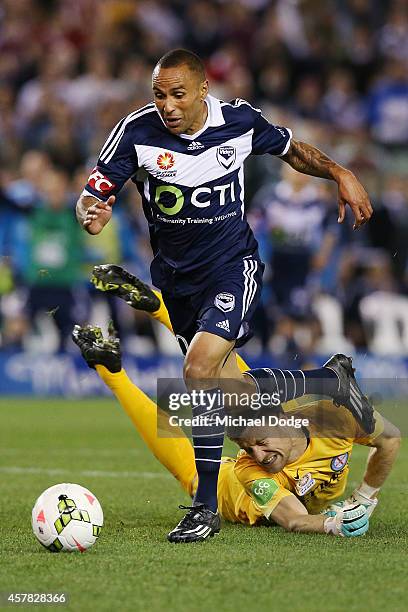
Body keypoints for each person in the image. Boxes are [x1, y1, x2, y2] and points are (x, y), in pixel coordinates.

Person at [75, 49, 374, 543]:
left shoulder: (238, 122)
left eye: (177, 94)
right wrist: (91, 211)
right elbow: (94, 190)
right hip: (176, 278)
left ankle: (204, 506)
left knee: (197, 372)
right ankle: (325, 380)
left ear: (201, 92)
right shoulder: (134, 131)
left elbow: (295, 151)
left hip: (232, 267)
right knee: (228, 396)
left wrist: (341, 173)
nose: (167, 105)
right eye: (159, 94)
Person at [71, 323, 400, 538]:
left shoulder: (333, 419)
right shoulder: (249, 470)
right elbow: (296, 519)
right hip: (229, 491)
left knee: (233, 388)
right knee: (191, 471)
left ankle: (164, 319)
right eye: (247, 447)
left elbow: (391, 440)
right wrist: (333, 524)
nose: (257, 454)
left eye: (258, 442)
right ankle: (112, 372)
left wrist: (364, 499)